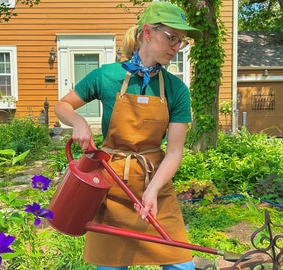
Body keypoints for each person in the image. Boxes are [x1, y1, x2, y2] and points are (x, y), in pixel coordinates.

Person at [54, 2, 202, 269]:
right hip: (110, 188)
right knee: (111, 265)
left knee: (181, 264)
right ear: (147, 32)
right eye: (171, 37)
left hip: (154, 184)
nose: (176, 46)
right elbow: (62, 106)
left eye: (181, 40)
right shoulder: (106, 77)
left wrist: (153, 191)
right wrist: (78, 122)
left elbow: (175, 151)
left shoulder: (176, 89)